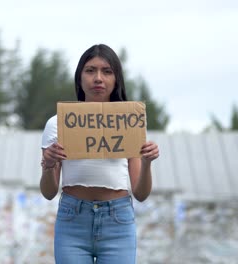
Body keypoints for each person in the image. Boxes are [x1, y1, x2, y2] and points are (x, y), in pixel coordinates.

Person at [40, 44, 159, 264]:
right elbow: (48, 192)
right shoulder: (57, 124)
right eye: (90, 70)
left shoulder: (129, 122)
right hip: (72, 221)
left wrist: (147, 162)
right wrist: (48, 164)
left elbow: (141, 194)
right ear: (79, 78)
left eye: (107, 71)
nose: (98, 78)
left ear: (116, 80)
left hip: (118, 222)